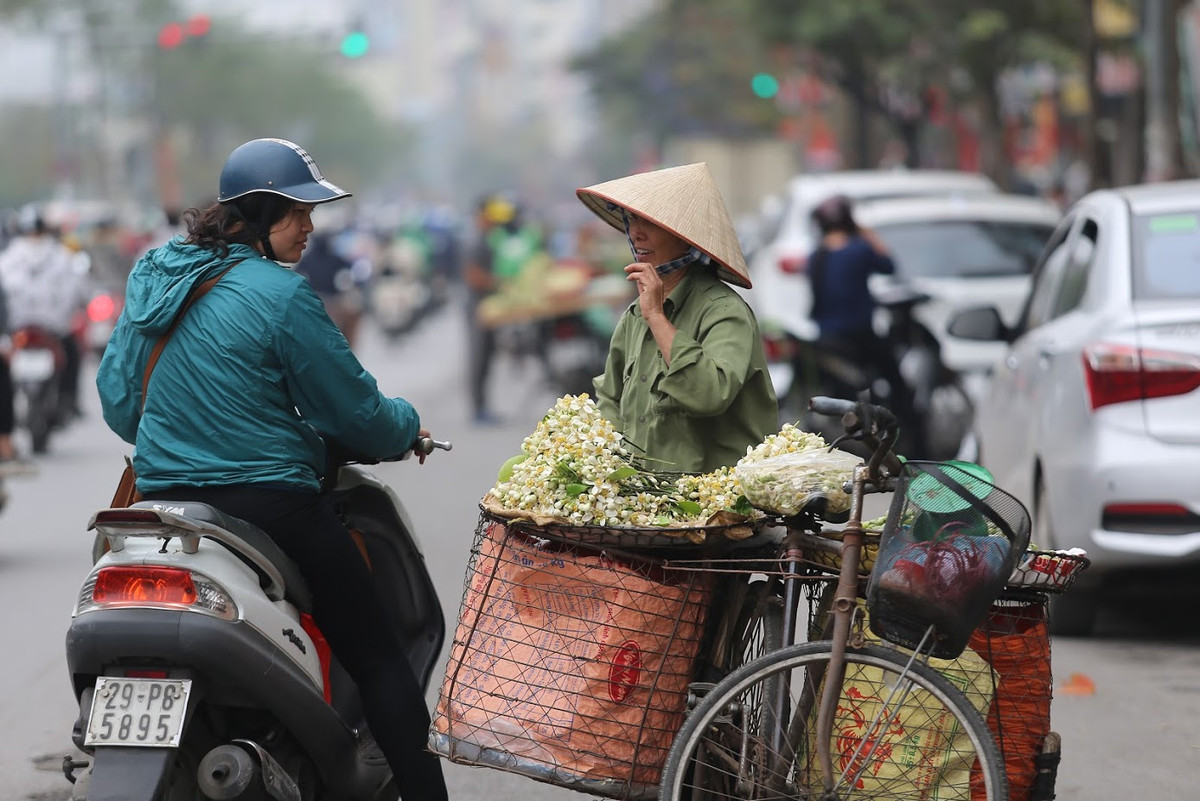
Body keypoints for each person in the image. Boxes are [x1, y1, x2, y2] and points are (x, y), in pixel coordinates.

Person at [95, 137, 448, 801]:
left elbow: (120, 403)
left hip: (164, 506)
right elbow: (353, 412)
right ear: (256, 216)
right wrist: (405, 428)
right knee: (379, 655)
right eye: (296, 212)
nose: (311, 226)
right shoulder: (282, 295)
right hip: (270, 504)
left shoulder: (153, 276)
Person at [577, 162, 778, 473]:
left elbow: (710, 394)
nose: (636, 233)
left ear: (685, 237)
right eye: (631, 221)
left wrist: (657, 317)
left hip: (712, 504)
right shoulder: (634, 316)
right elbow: (610, 399)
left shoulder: (724, 311)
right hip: (643, 498)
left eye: (649, 223)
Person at [806, 193, 923, 452]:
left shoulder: (816, 256)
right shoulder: (859, 249)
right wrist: (865, 232)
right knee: (898, 384)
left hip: (826, 340)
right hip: (860, 337)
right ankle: (914, 442)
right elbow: (889, 265)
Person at [0, 205, 89, 420]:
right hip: (32, 328)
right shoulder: (12, 259)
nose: (34, 239)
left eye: (36, 233)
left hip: (44, 328)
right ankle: (69, 400)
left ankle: (68, 399)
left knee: (72, 352)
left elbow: (74, 291)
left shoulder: (10, 258)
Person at [463, 193, 514, 425]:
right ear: (482, 216)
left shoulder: (486, 238)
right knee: (479, 356)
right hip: (477, 305)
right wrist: (498, 283)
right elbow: (473, 276)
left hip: (485, 303)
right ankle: (478, 408)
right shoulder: (475, 240)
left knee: (488, 355)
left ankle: (483, 406)